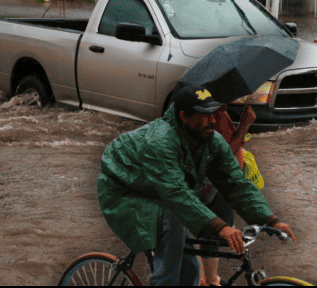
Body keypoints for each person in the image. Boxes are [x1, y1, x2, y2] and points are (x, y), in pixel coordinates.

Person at [98, 85, 295, 286]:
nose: (212, 120)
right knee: (174, 223)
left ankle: (207, 276)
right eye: (204, 114)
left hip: (161, 189)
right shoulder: (159, 141)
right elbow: (176, 193)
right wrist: (220, 227)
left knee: (191, 269)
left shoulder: (212, 140)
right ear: (184, 116)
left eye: (213, 113)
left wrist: (270, 220)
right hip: (124, 191)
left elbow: (236, 184)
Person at [197, 102, 255, 286]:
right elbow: (226, 153)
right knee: (214, 234)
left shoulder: (219, 113)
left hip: (220, 184)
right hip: (217, 186)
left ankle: (208, 278)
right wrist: (245, 125)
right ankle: (207, 279)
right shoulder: (217, 116)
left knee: (209, 236)